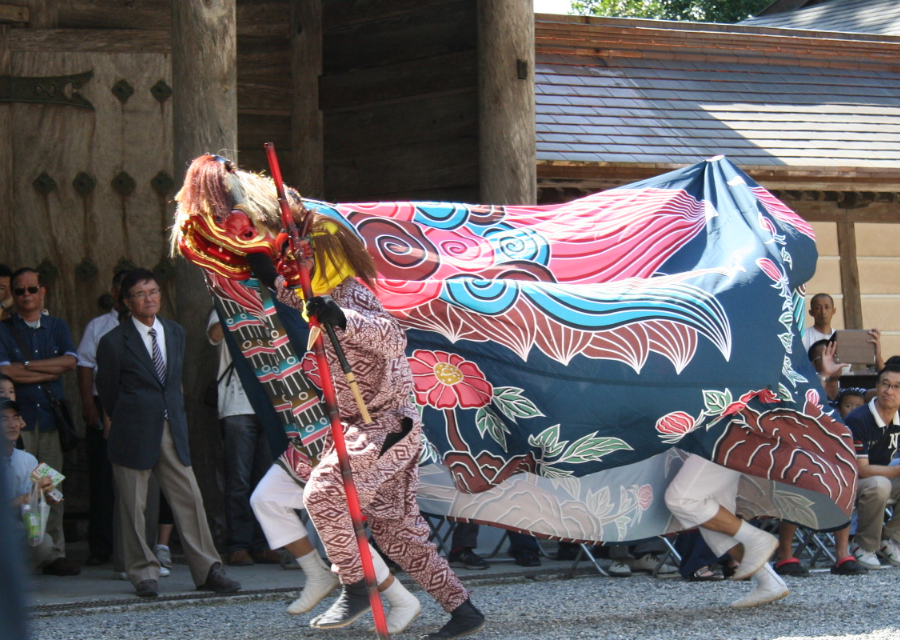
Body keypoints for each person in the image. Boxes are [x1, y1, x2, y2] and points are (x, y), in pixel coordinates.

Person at [264, 211, 484, 639]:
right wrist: (258, 266)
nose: (295, 267)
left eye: (303, 258)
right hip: (366, 427)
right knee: (397, 530)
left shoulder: (350, 294)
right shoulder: (317, 295)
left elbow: (392, 336)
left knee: (326, 493)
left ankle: (356, 584)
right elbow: (291, 293)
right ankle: (464, 610)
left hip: (386, 423)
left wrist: (342, 317)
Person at [96, 269, 240, 598]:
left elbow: (174, 381)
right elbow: (108, 392)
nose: (149, 299)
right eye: (140, 294)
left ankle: (208, 569)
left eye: (154, 292)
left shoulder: (174, 332)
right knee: (134, 505)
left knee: (189, 497)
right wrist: (129, 417)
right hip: (132, 428)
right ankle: (142, 572)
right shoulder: (113, 342)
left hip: (172, 426)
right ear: (126, 301)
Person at [0, 267, 79, 576]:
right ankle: (21, 548)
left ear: (42, 291)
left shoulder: (56, 326)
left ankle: (55, 551)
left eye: (32, 289)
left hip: (49, 417)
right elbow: (8, 373)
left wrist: (28, 366)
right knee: (19, 483)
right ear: (13, 295)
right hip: (18, 420)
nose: (26, 295)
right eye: (19, 291)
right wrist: (49, 370)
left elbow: (70, 362)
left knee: (50, 483)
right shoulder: (4, 329)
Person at [774, 341, 868, 577]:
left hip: (828, 461)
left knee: (844, 476)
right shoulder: (790, 379)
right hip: (790, 455)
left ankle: (842, 555)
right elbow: (803, 410)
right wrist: (824, 375)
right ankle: (785, 555)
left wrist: (828, 374)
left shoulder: (846, 395)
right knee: (796, 475)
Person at [206, 308, 281, 566]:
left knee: (266, 481)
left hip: (272, 403)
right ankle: (238, 545)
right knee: (238, 480)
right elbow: (215, 334)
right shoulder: (224, 306)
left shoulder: (273, 304)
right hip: (238, 405)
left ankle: (261, 544)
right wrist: (243, 309)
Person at [665, 454, 788, 608]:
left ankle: (755, 539)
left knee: (681, 500)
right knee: (714, 517)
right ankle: (769, 582)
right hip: (719, 438)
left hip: (725, 437)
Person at [76, 270, 128, 566]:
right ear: (114, 290)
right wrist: (88, 404)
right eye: (122, 289)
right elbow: (84, 365)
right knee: (102, 479)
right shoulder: (98, 326)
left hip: (132, 407)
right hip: (101, 402)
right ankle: (101, 546)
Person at [844, 363, 900, 570]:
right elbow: (861, 470)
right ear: (876, 386)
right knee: (879, 484)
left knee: (882, 482)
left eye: (896, 387)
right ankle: (864, 545)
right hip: (847, 482)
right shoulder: (859, 420)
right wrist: (895, 471)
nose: (889, 391)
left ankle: (890, 539)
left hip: (880, 475)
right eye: (885, 384)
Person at [1, 399, 60, 570]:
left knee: (42, 542)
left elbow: (29, 506)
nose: (12, 424)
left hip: (13, 526)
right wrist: (22, 499)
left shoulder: (27, 460)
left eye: (16, 418)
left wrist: (43, 495)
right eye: (4, 419)